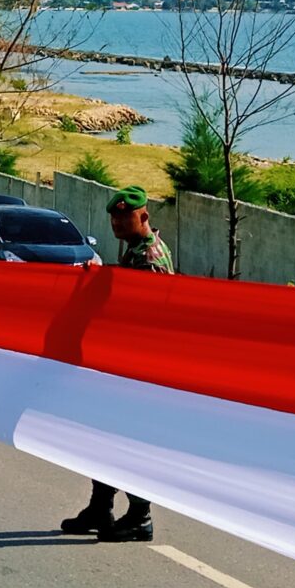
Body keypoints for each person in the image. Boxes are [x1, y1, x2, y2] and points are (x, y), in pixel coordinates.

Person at [60, 185, 173, 544]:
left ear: (144, 216)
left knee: (126, 440)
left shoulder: (149, 257)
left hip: (139, 369)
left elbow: (146, 314)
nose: (117, 222)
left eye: (125, 216)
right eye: (114, 216)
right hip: (124, 364)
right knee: (104, 435)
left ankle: (140, 515)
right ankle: (100, 506)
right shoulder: (136, 252)